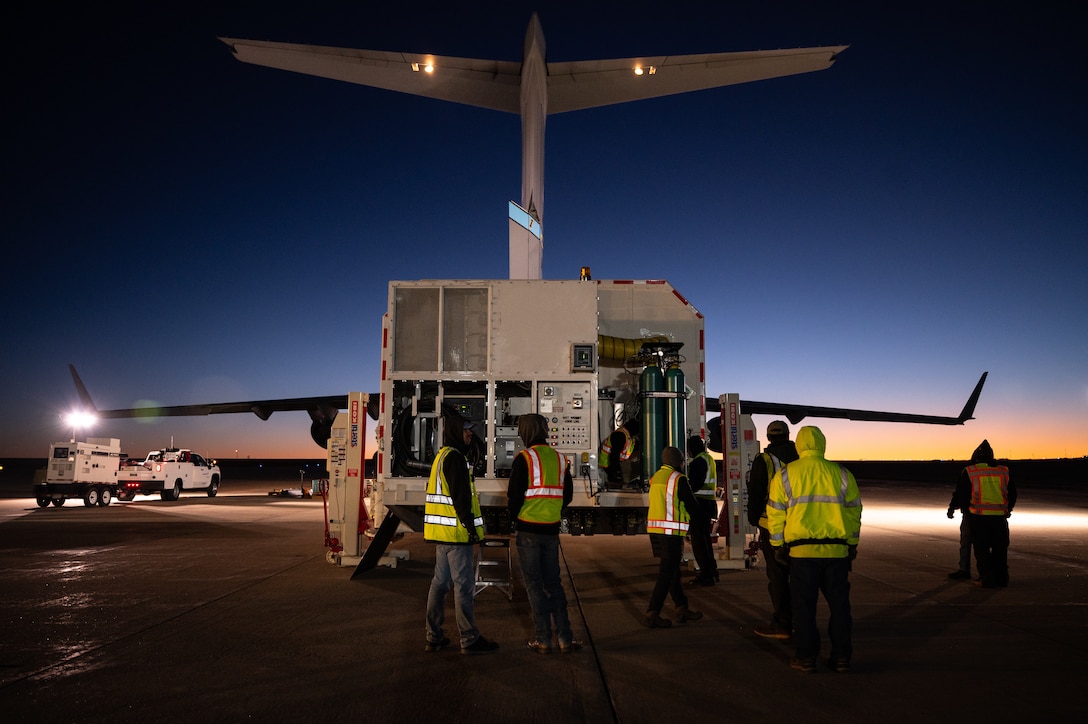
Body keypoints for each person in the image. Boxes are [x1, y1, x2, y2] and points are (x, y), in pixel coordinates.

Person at [767, 425, 861, 674]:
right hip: (836, 553)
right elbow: (854, 512)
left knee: (803, 608)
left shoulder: (785, 475)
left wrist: (777, 545)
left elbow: (775, 514)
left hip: (802, 554)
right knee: (840, 607)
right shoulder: (842, 473)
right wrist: (852, 543)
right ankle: (841, 657)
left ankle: (806, 657)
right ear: (822, 444)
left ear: (799, 445)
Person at [423, 411, 499, 655]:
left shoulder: (441, 456)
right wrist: (471, 528)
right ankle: (469, 638)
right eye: (466, 430)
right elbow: (461, 498)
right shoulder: (455, 458)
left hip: (442, 535)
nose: (470, 434)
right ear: (456, 431)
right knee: (463, 586)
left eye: (471, 430)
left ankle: (433, 636)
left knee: (439, 584)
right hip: (457, 534)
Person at [506, 413, 582, 654]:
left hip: (528, 529)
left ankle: (543, 639)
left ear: (526, 432)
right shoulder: (560, 459)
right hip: (551, 530)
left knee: (534, 586)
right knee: (554, 584)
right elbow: (567, 496)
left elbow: (514, 496)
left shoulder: (524, 458)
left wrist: (515, 519)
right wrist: (552, 511)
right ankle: (565, 638)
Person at [747, 420, 799, 639]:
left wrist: (753, 518)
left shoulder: (765, 460)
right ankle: (801, 622)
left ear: (769, 438)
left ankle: (783, 622)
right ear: (788, 435)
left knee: (778, 577)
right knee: (799, 577)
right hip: (799, 527)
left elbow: (756, 493)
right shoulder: (801, 459)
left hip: (772, 525)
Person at [645, 446, 703, 628]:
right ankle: (652, 613)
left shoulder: (656, 477)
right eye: (682, 461)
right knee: (666, 574)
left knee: (672, 572)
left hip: (656, 531)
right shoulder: (678, 479)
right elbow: (692, 506)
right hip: (671, 533)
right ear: (678, 462)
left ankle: (681, 607)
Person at [948, 440, 1016, 588]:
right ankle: (1002, 579)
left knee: (982, 550)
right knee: (1000, 550)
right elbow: (1012, 494)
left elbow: (962, 494)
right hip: (1000, 518)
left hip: (978, 518)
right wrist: (1008, 509)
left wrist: (959, 510)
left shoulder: (970, 471)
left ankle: (986, 579)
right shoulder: (1004, 470)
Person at [685, 435, 719, 586]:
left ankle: (706, 575)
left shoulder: (697, 462)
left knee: (699, 543)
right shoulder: (709, 459)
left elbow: (694, 485)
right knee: (705, 541)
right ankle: (712, 572)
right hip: (709, 503)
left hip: (700, 504)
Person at [600, 418, 639, 488]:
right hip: (609, 465)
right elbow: (614, 457)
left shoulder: (628, 436)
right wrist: (617, 474)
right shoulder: (620, 435)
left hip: (615, 465)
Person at [946, 485, 973, 580]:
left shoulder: (968, 475)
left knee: (966, 543)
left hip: (970, 513)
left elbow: (960, 491)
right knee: (983, 546)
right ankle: (986, 573)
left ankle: (964, 570)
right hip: (990, 514)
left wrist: (952, 507)